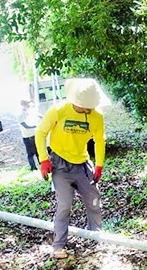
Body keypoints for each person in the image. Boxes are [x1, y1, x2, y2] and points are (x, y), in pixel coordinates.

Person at [36, 78, 106, 259]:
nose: (88, 110)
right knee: (65, 205)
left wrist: (99, 164)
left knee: (94, 201)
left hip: (82, 165)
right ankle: (58, 245)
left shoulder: (96, 116)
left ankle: (95, 237)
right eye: (85, 107)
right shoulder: (59, 110)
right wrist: (44, 159)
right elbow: (41, 133)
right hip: (60, 165)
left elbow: (99, 140)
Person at [19, 100, 40, 170]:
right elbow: (25, 126)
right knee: (30, 153)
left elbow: (37, 116)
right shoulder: (20, 115)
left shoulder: (28, 112)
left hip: (33, 135)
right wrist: (36, 126)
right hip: (27, 136)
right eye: (27, 105)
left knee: (38, 151)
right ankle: (33, 167)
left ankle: (41, 165)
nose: (28, 106)